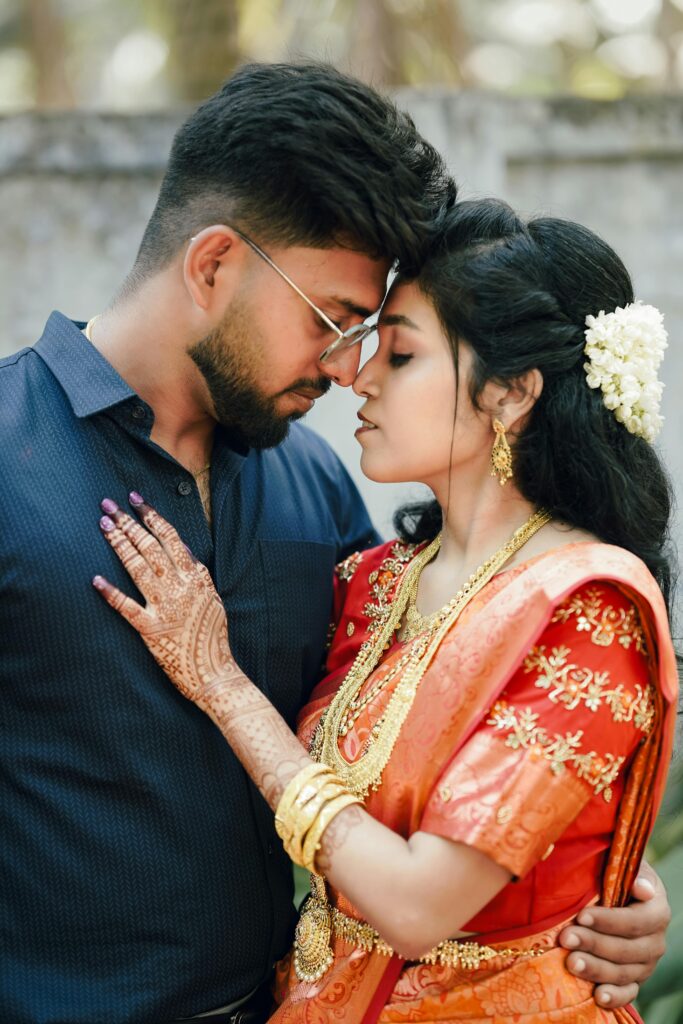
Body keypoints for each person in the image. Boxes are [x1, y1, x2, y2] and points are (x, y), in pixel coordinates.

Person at [0, 58, 668, 1022]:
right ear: (214, 264)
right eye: (338, 320)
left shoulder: (314, 490)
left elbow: (417, 745)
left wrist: (590, 872)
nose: (349, 366)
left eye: (381, 339)